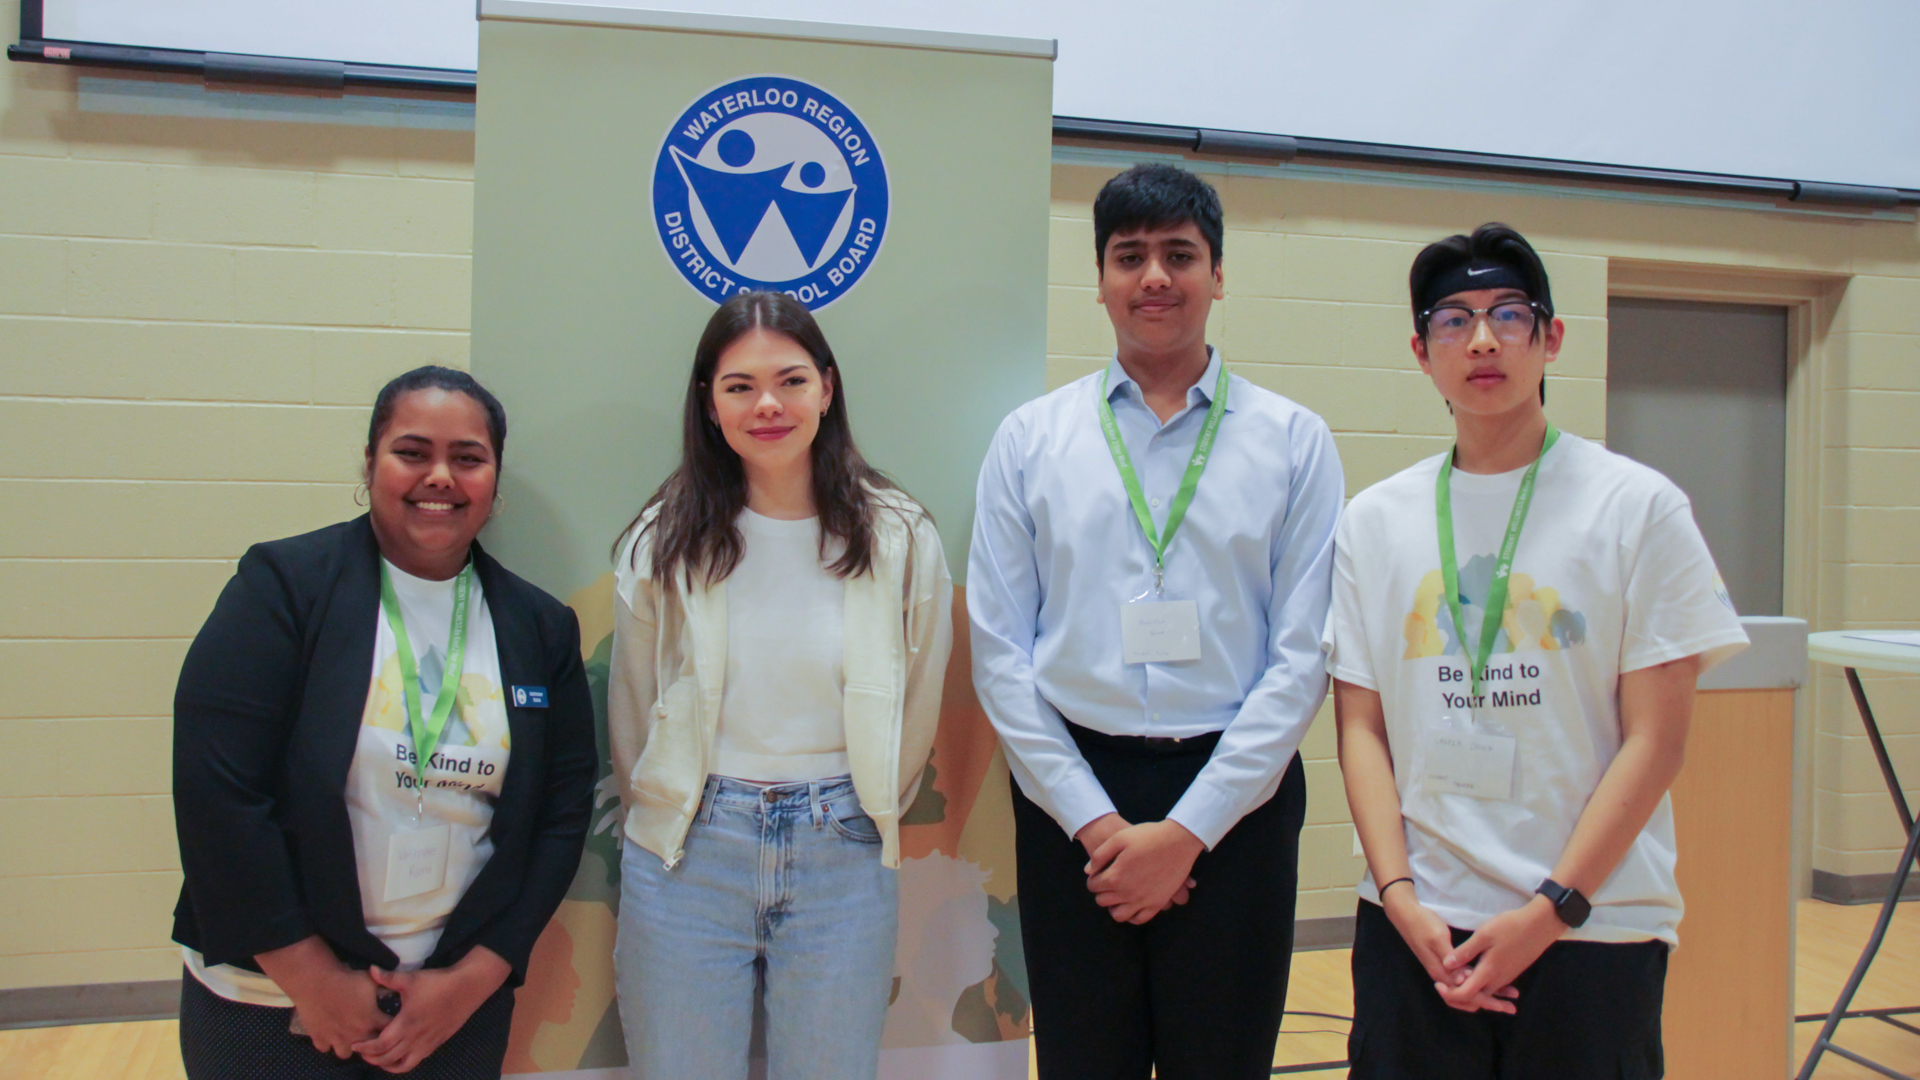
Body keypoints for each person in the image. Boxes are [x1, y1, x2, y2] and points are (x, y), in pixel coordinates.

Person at [1326, 223, 1750, 1079]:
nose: (1481, 339)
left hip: (1592, 928)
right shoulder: (1374, 521)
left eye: (1507, 314)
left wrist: (1551, 910)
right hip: (1416, 929)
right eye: (1452, 320)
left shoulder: (1639, 509)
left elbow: (1656, 741)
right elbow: (1359, 729)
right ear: (1421, 351)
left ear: (1550, 338)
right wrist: (1403, 901)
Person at [968, 162, 1345, 1079]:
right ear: (1098, 279)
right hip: (1072, 800)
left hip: (1238, 802)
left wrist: (1187, 833)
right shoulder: (1031, 439)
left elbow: (1303, 658)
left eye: (1180, 254)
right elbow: (998, 654)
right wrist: (1099, 826)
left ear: (1219, 274)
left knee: (1223, 1062)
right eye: (1128, 256)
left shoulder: (1295, 441)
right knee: (1084, 1062)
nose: (1155, 278)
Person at [171, 365, 598, 1079]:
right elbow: (218, 794)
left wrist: (478, 976)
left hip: (449, 1008)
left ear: (493, 481)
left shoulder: (539, 626)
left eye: (467, 458)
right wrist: (313, 979)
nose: (441, 476)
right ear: (370, 463)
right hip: (274, 1002)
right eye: (412, 452)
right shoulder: (282, 588)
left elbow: (560, 814)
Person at [607, 290, 953, 1080]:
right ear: (709, 403)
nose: (768, 404)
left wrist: (864, 808)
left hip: (844, 848)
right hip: (687, 855)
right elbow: (632, 713)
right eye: (739, 387)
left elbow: (919, 701)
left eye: (791, 381)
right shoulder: (661, 539)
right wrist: (674, 808)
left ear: (827, 389)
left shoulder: (898, 535)